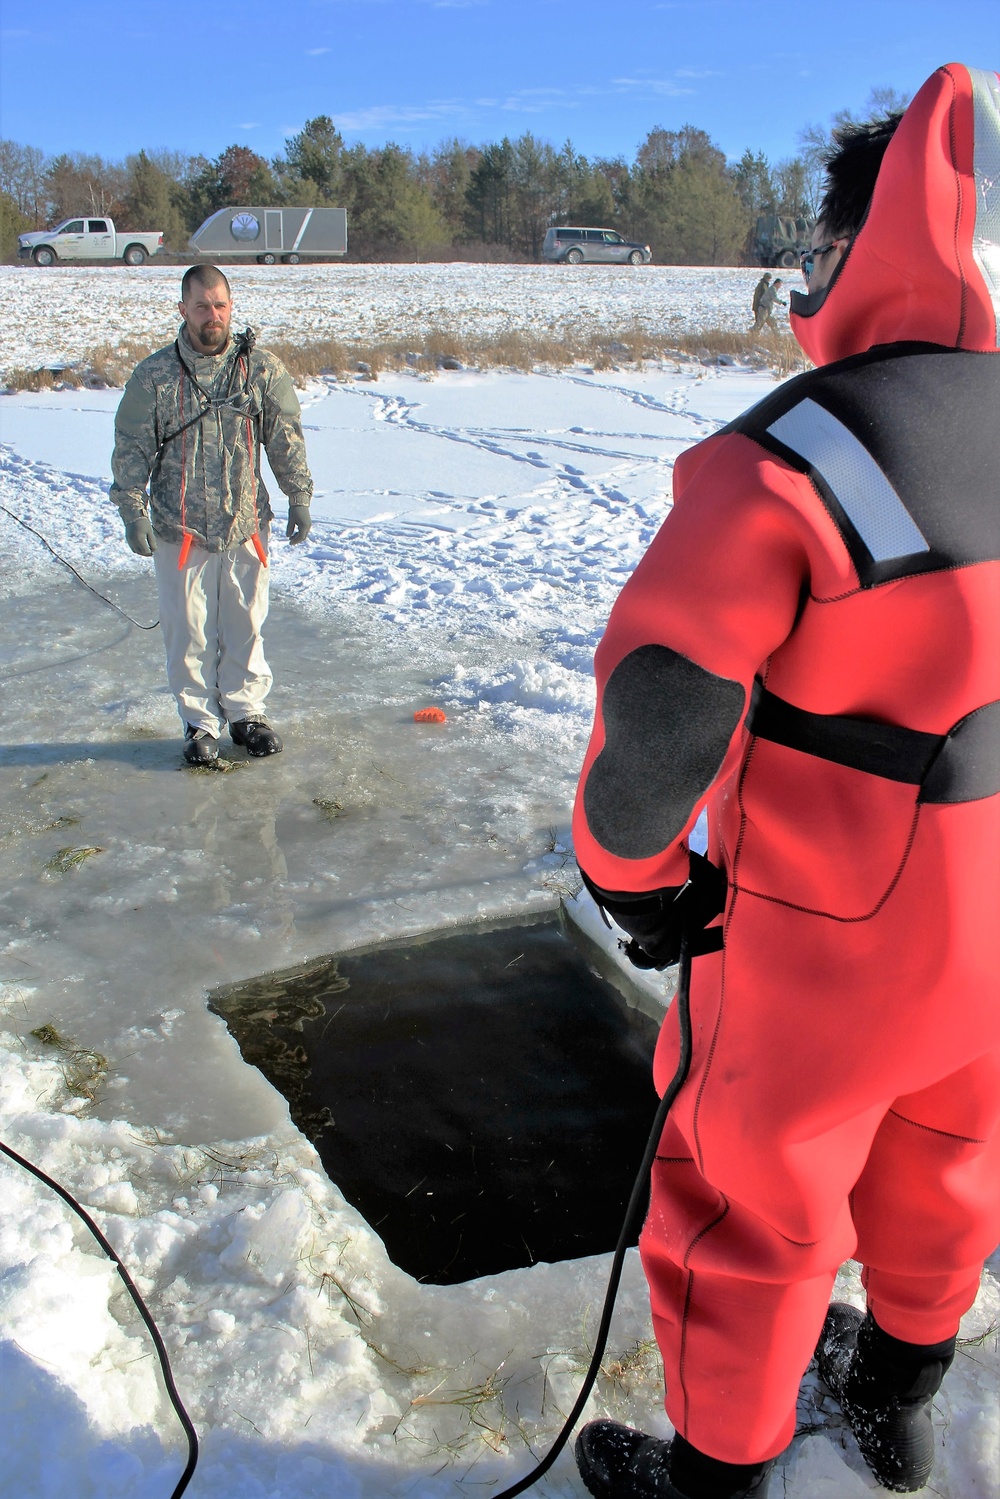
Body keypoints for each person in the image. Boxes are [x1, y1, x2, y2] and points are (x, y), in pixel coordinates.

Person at [570, 61, 999, 1499]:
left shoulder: (798, 453)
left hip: (828, 941)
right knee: (952, 1154)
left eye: (823, 236)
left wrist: (635, 877)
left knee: (752, 1198)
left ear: (875, 238)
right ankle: (900, 1397)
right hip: (991, 937)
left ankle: (720, 1476)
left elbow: (667, 701)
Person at [110, 265, 313, 765]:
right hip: (180, 528)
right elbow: (131, 446)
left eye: (220, 305)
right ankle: (199, 723)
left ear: (231, 307)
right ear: (183, 310)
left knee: (245, 623)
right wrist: (131, 509)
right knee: (190, 632)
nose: (212, 316)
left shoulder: (260, 369)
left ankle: (246, 714)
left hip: (246, 524)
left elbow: (284, 435)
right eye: (201, 306)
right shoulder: (154, 376)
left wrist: (299, 495)